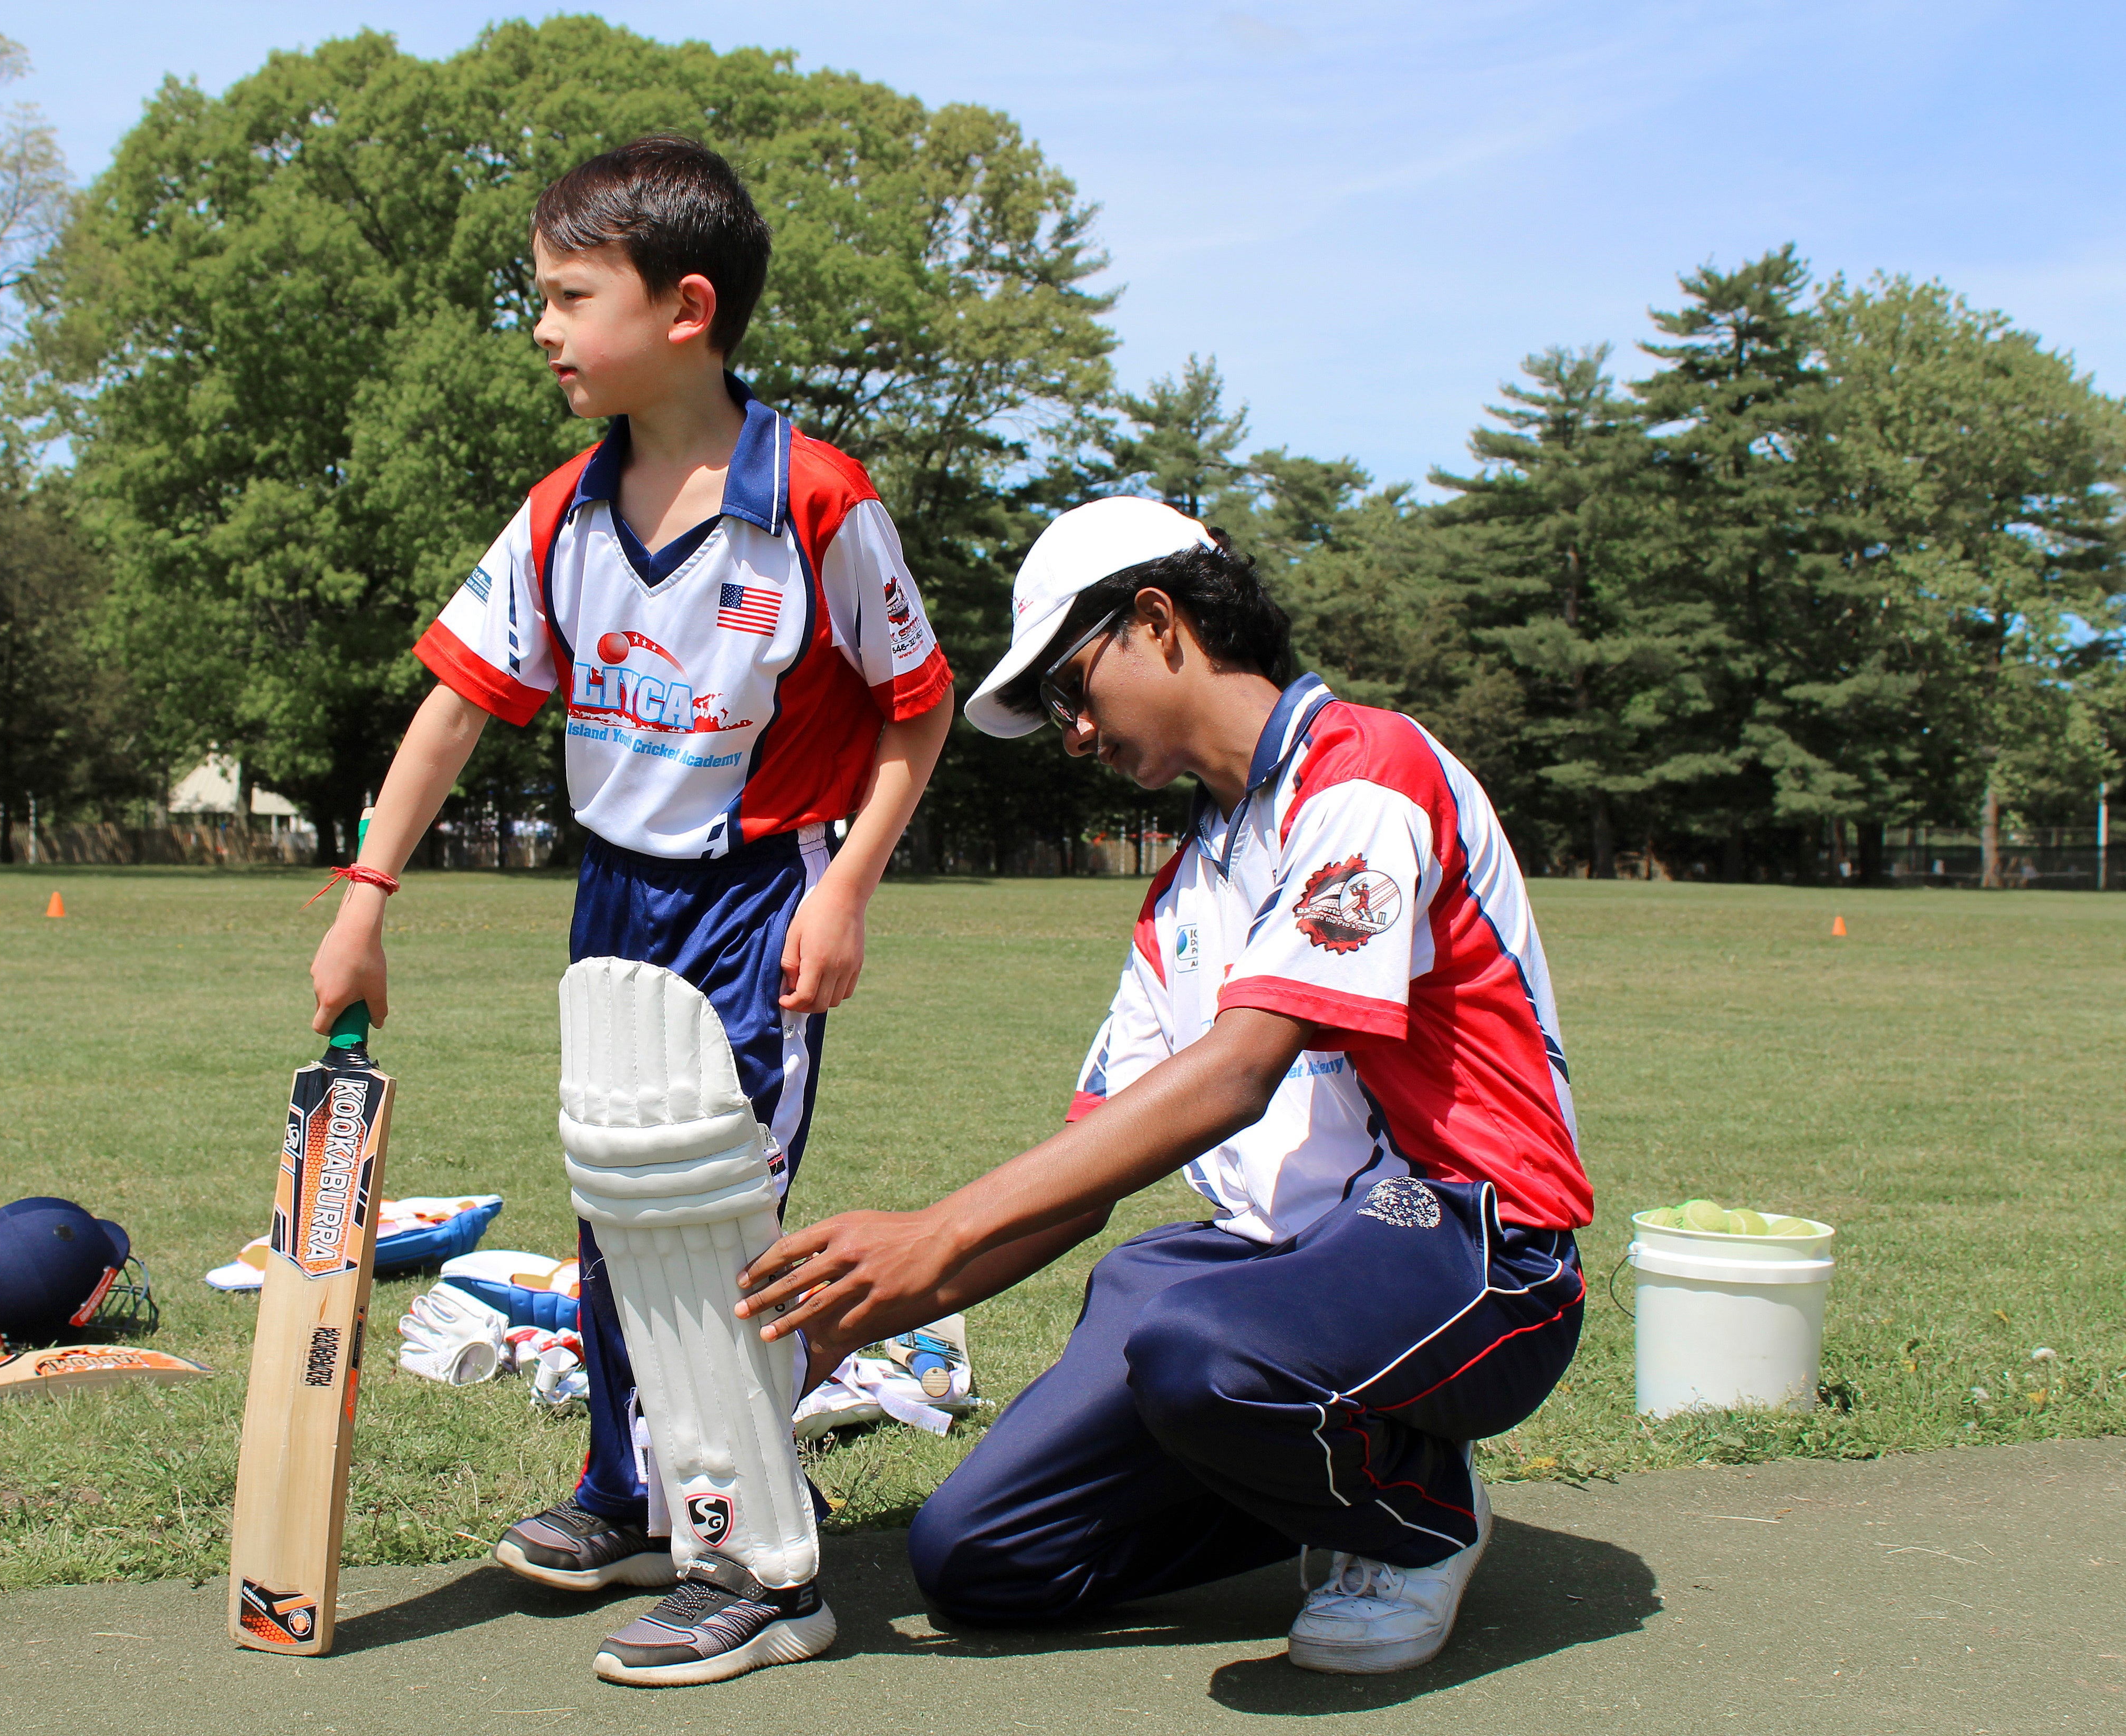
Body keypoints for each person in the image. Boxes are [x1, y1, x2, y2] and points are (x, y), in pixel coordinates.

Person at [734, 496, 1591, 1676]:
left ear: (1157, 620)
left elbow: (1241, 1072)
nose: (1072, 733)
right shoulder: (1185, 893)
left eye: (1068, 689)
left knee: (1199, 1347)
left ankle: (1414, 1516)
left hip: (1474, 1243)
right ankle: (1318, 1465)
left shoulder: (1366, 775)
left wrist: (930, 1238)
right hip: (1278, 1271)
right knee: (983, 1558)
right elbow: (1083, 1182)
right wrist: (852, 1317)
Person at [307, 133, 953, 1684]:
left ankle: (765, 1570)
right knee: (608, 1206)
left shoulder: (814, 499)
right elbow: (453, 711)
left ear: (683, 308)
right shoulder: (559, 511)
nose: (539, 325)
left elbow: (913, 712)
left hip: (760, 899)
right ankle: (634, 1493)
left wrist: (846, 890)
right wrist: (362, 899)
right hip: (611, 899)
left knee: (711, 1217)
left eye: (565, 295)